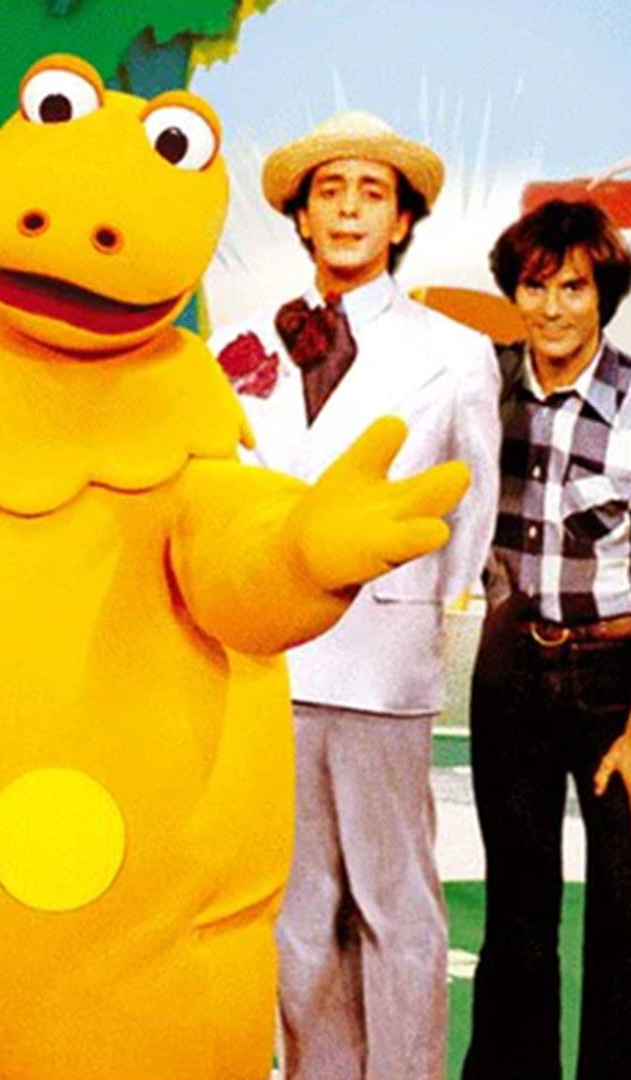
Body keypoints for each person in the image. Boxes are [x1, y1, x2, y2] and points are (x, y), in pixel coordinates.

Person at [208, 111, 501, 1079]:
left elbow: (472, 511)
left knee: (395, 906)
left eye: (371, 193)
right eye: (329, 192)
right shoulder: (241, 345)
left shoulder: (454, 351)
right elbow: (225, 493)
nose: (347, 210)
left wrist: (422, 611)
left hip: (384, 665)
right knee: (297, 918)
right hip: (271, 667)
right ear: (300, 216)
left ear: (401, 220)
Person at [463, 199, 631, 1080]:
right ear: (514, 293)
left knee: (629, 910)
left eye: (573, 288)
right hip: (510, 667)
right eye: (535, 287)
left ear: (602, 296)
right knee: (516, 909)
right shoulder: (483, 390)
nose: (552, 308)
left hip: (615, 677)